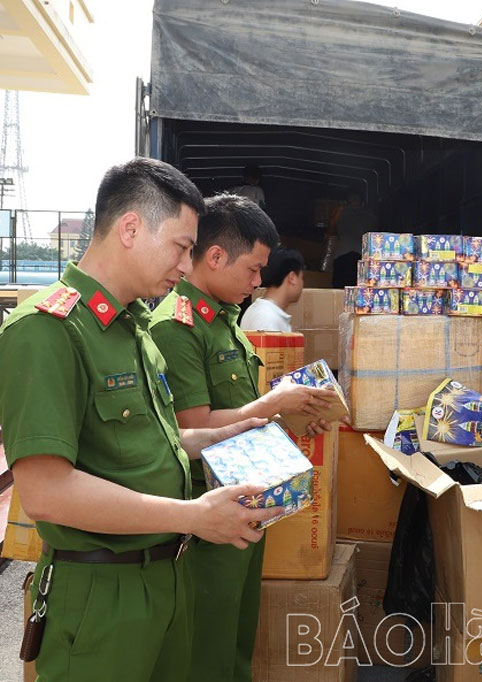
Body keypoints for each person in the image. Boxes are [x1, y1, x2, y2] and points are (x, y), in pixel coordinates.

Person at [0, 158, 281, 682]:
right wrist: (192, 515)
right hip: (102, 594)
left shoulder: (134, 329)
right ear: (130, 228)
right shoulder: (48, 330)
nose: (186, 265)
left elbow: (150, 444)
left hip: (166, 576)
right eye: (180, 246)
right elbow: (45, 492)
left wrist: (220, 435)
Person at [149, 194, 340, 682]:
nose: (258, 282)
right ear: (215, 257)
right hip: (207, 511)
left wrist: (290, 415)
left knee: (236, 642)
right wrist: (274, 404)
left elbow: (239, 415)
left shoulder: (224, 320)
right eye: (253, 269)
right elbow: (196, 426)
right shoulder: (177, 326)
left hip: (247, 501)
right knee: (207, 650)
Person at [240, 248, 305, 332]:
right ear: (292, 278)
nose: (302, 284)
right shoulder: (267, 319)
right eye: (301, 278)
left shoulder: (265, 312)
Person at [331, 191, 378, 288]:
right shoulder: (371, 215)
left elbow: (330, 231)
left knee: (340, 290)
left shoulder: (340, 212)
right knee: (361, 290)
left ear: (347, 201)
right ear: (362, 202)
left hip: (342, 255)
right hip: (362, 257)